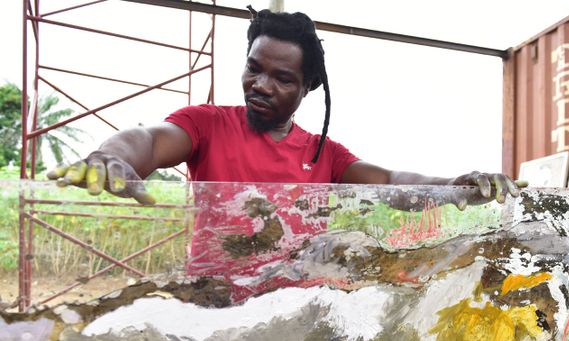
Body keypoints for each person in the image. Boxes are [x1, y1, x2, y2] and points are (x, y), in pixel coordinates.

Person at [47, 8, 523, 205]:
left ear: (308, 87)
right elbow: (147, 140)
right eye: (254, 68)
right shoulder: (206, 125)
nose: (260, 84)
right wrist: (112, 155)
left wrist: (458, 184)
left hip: (293, 319)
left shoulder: (325, 155)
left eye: (282, 78)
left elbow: (393, 181)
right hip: (211, 306)